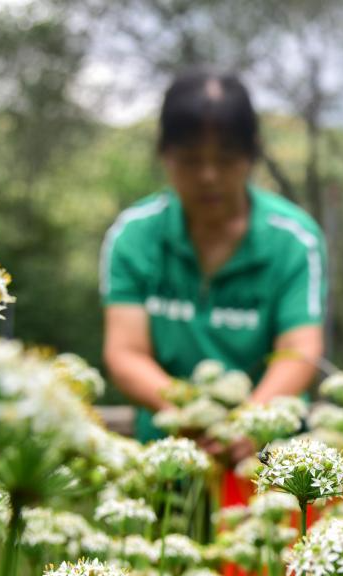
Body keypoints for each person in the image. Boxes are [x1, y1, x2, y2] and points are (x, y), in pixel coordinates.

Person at [100, 68, 327, 471]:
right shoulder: (133, 236)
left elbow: (301, 351)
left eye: (225, 160)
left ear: (252, 155)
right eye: (190, 160)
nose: (208, 176)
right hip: (168, 460)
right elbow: (125, 351)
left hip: (271, 464)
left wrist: (250, 423)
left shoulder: (294, 239)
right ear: (164, 154)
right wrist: (190, 414)